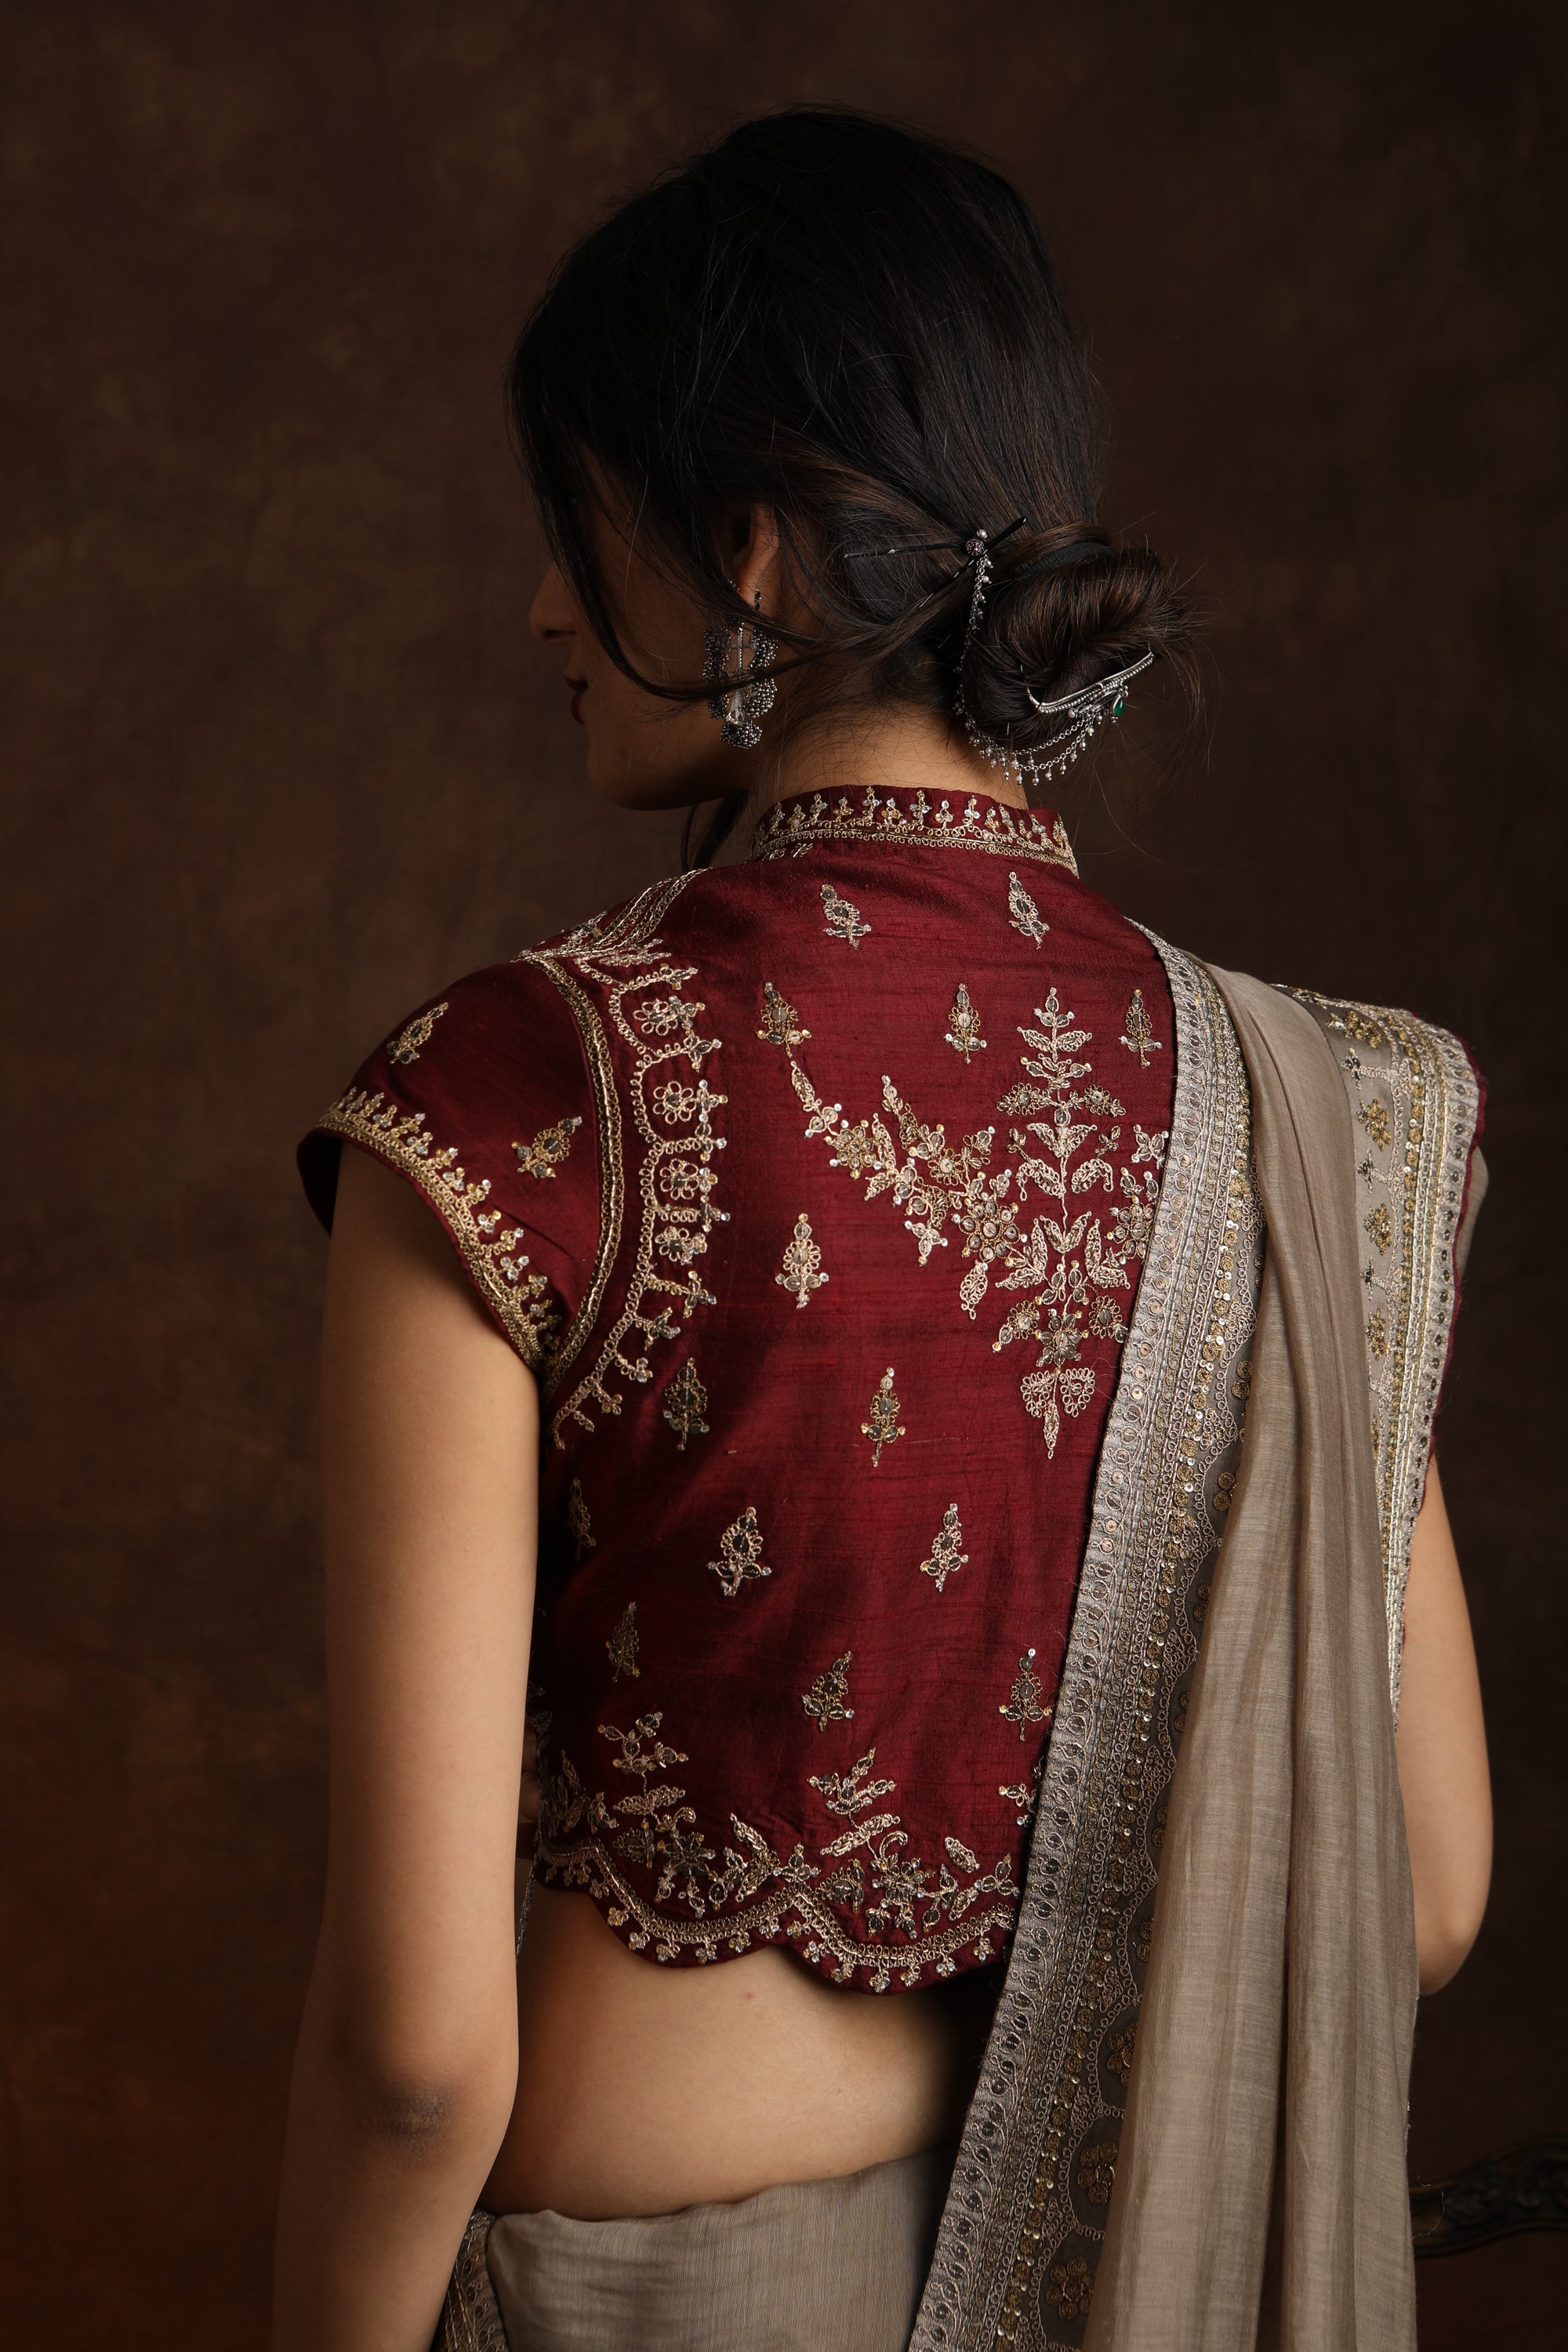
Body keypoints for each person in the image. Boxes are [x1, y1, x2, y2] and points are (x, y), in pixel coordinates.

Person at [272, 108, 1492, 2352]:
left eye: (576, 523)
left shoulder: (528, 1095)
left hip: (670, 2290)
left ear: (746, 556)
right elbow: (1419, 1891)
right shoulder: (1321, 1113)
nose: (542, 606)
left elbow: (418, 2059)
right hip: (1162, 2267)